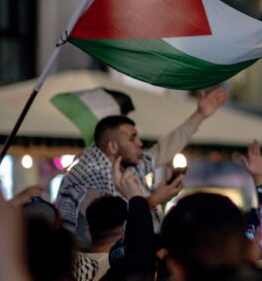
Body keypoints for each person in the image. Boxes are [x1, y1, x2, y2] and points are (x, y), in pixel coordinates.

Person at [56, 87, 229, 245]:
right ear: (113, 146)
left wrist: (200, 115)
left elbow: (164, 149)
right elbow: (104, 229)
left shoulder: (127, 166)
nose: (139, 143)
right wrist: (152, 201)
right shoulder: (88, 174)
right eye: (132, 139)